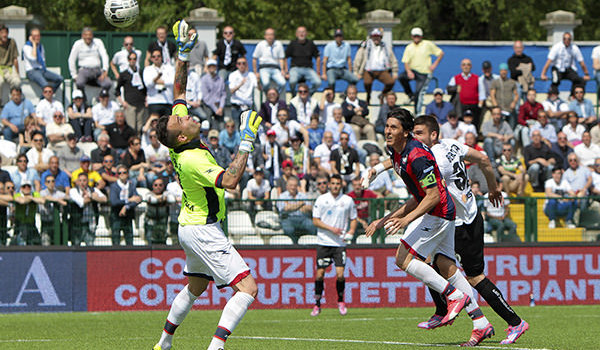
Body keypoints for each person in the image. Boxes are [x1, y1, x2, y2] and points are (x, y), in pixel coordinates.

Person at [368, 113, 528, 345]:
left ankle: (514, 322)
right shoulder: (451, 145)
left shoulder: (430, 158)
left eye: (419, 133)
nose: (415, 137)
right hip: (467, 214)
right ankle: (477, 322)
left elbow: (426, 196)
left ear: (433, 134)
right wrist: (493, 188)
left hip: (459, 221)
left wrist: (396, 218)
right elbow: (483, 159)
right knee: (442, 265)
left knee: (473, 277)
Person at [153, 20, 259, 350]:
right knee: (248, 288)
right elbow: (229, 181)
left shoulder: (180, 142)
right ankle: (215, 348)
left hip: (190, 225)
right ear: (182, 135)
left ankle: (164, 343)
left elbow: (179, 91)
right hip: (203, 229)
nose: (186, 113)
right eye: (182, 118)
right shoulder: (193, 160)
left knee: (195, 287)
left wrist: (182, 54)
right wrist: (246, 142)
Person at [363, 109, 473, 342]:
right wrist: (376, 171)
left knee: (402, 259)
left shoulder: (417, 156)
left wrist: (406, 219)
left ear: (406, 132)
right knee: (446, 266)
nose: (387, 131)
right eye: (387, 126)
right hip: (439, 212)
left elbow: (431, 195)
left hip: (439, 212)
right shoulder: (398, 152)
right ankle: (480, 322)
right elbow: (413, 191)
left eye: (393, 127)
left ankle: (453, 296)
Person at [310, 173, 357, 316]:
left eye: (338, 184)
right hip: (323, 242)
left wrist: (351, 231)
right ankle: (317, 304)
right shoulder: (321, 199)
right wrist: (332, 229)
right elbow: (315, 221)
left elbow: (353, 218)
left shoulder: (348, 200)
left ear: (341, 185)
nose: (335, 186)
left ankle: (341, 301)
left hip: (340, 243)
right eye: (333, 183)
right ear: (329, 185)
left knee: (340, 274)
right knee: (320, 274)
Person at [399, 27, 444, 113]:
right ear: (412, 36)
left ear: (421, 36)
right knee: (401, 77)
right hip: (413, 71)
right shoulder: (409, 47)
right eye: (415, 36)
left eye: (418, 36)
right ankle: (410, 95)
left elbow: (440, 53)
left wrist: (434, 64)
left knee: (418, 93)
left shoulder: (427, 44)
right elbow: (405, 61)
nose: (416, 37)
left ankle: (417, 112)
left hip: (424, 73)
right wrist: (408, 71)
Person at [354, 28, 398, 104]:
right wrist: (356, 71)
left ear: (380, 37)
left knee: (390, 82)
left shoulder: (385, 47)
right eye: (374, 36)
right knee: (367, 83)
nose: (376, 38)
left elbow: (393, 59)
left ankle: (382, 95)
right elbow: (358, 58)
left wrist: (395, 72)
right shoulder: (366, 46)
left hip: (382, 70)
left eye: (378, 36)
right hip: (369, 70)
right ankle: (368, 95)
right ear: (371, 37)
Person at [68, 27, 112, 95]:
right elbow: (71, 59)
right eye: (86, 35)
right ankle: (84, 103)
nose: (88, 37)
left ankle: (99, 100)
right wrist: (74, 75)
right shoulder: (78, 44)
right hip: (84, 70)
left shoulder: (98, 42)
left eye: (90, 35)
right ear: (82, 36)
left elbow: (104, 56)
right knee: (79, 83)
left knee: (108, 83)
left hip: (97, 71)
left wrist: (105, 71)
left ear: (92, 36)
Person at [69, 172, 107, 246]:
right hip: (78, 223)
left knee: (90, 245)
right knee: (76, 245)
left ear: (88, 181)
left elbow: (105, 199)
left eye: (84, 180)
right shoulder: (73, 191)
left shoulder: (93, 190)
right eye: (80, 181)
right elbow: (81, 202)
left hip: (91, 222)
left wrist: (90, 196)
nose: (82, 183)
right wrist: (94, 197)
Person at [277, 175, 316, 243]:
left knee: (311, 226)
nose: (293, 187)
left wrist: (291, 206)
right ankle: (294, 246)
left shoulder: (303, 195)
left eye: (295, 185)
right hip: (287, 218)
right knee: (289, 229)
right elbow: (285, 209)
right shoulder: (282, 196)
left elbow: (309, 208)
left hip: (302, 218)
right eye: (291, 185)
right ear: (287, 186)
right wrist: (301, 204)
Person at [115, 50, 147, 132]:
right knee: (131, 127)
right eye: (130, 59)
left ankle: (139, 143)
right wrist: (122, 102)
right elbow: (117, 90)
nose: (132, 61)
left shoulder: (141, 72)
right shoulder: (124, 74)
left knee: (140, 127)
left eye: (134, 59)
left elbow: (146, 87)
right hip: (130, 104)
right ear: (128, 60)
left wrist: (146, 99)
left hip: (141, 103)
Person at [109, 165, 141, 245]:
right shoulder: (114, 186)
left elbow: (137, 199)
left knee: (129, 239)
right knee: (116, 239)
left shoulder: (131, 185)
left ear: (128, 174)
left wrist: (126, 207)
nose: (122, 174)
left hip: (128, 215)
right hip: (116, 216)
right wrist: (128, 200)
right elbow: (114, 202)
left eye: (124, 172)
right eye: (120, 173)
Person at [285, 26, 321, 95]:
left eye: (303, 32)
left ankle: (307, 95)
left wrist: (318, 72)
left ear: (306, 33)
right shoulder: (292, 44)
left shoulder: (311, 43)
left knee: (318, 82)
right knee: (292, 81)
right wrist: (286, 72)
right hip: (295, 69)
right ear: (296, 34)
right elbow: (285, 57)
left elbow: (318, 58)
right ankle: (294, 95)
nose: (301, 34)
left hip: (308, 69)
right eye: (299, 32)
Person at [447, 58, 483, 128]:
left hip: (474, 106)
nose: (466, 66)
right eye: (464, 65)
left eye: (468, 65)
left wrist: (479, 106)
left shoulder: (477, 78)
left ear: (471, 66)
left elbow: (482, 93)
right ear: (461, 66)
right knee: (461, 126)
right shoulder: (455, 78)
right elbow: (448, 90)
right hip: (461, 107)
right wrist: (455, 88)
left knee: (474, 126)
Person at [252, 28, 286, 95]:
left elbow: (281, 58)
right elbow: (254, 58)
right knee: (265, 83)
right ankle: (267, 95)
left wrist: (282, 69)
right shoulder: (260, 44)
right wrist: (255, 72)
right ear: (265, 36)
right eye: (268, 35)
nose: (270, 36)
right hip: (264, 68)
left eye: (271, 34)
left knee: (283, 83)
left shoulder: (278, 44)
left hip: (275, 68)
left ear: (274, 36)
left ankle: (275, 95)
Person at [11, 180, 45, 245]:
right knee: (20, 242)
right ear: (21, 188)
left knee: (37, 242)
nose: (26, 188)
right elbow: (21, 201)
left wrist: (30, 197)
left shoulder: (35, 194)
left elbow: (42, 200)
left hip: (31, 223)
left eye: (28, 186)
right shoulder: (17, 194)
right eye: (24, 186)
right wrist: (31, 198)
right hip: (20, 223)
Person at [144, 49, 175, 118]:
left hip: (168, 101)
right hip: (153, 101)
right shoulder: (147, 69)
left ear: (162, 57)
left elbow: (172, 81)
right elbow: (148, 84)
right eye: (154, 56)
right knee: (155, 125)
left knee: (167, 125)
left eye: (158, 56)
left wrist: (157, 81)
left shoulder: (170, 68)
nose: (156, 58)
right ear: (151, 58)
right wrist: (157, 79)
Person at [143, 177, 174, 244]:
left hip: (162, 224)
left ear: (163, 186)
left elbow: (172, 199)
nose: (158, 187)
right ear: (152, 186)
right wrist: (161, 198)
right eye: (156, 185)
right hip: (150, 223)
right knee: (150, 243)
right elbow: (151, 199)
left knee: (162, 244)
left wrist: (160, 197)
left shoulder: (166, 193)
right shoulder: (149, 194)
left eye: (160, 185)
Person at [39, 174, 68, 245]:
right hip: (46, 223)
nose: (51, 184)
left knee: (59, 244)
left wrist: (62, 198)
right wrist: (58, 200)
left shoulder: (57, 192)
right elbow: (45, 197)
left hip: (56, 223)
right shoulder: (42, 192)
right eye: (48, 182)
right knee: (46, 244)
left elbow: (68, 197)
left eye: (53, 181)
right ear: (45, 183)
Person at [229, 56, 257, 125]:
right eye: (239, 63)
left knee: (246, 130)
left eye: (243, 63)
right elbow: (231, 91)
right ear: (237, 65)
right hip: (236, 106)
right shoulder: (233, 75)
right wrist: (240, 84)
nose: (241, 65)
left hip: (247, 106)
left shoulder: (251, 75)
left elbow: (258, 88)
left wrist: (259, 81)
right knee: (235, 127)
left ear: (246, 65)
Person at [200, 59, 227, 129]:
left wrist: (221, 107)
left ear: (216, 67)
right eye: (210, 66)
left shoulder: (220, 79)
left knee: (222, 126)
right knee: (208, 122)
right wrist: (216, 110)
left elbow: (223, 95)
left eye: (213, 66)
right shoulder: (204, 79)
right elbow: (206, 98)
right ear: (208, 68)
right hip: (208, 105)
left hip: (218, 105)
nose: (212, 68)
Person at [0, 24, 21, 94]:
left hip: (9, 68)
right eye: (2, 33)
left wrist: (18, 73)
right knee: (0, 82)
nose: (4, 35)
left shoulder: (12, 42)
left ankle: (13, 98)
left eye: (6, 32)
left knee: (17, 81)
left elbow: (15, 59)